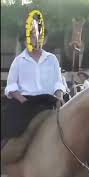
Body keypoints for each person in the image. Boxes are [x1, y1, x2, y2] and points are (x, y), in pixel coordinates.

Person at [1, 13, 65, 141]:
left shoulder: (52, 59)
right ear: (26, 41)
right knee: (10, 130)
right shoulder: (18, 61)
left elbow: (58, 84)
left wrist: (59, 98)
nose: (36, 39)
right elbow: (11, 88)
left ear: (45, 39)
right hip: (25, 102)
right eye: (32, 36)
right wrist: (24, 102)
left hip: (49, 101)